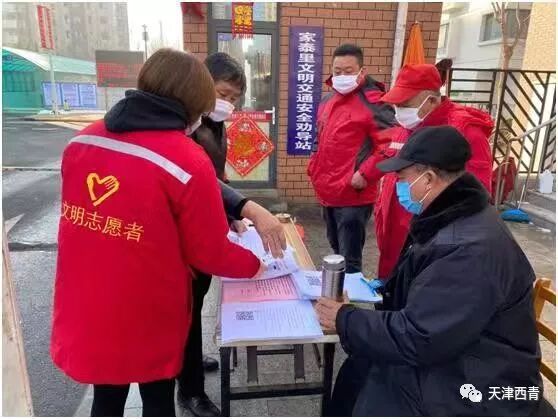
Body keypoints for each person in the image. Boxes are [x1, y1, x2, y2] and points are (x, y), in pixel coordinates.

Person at [50, 48, 264, 417]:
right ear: (193, 100)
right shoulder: (185, 159)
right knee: (158, 398)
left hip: (91, 299)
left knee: (106, 398)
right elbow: (209, 252)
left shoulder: (82, 142)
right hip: (149, 306)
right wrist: (258, 264)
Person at [316, 126, 542, 416]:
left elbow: (419, 337)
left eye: (401, 178)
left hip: (479, 383)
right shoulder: (453, 217)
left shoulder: (467, 249)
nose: (397, 187)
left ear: (429, 179)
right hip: (459, 352)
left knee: (368, 389)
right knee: (357, 371)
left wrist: (344, 318)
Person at [177, 52, 287, 416]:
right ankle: (190, 391)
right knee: (185, 311)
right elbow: (199, 180)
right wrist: (246, 208)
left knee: (195, 307)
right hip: (184, 239)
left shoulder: (212, 124)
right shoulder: (184, 127)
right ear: (200, 85)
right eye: (222, 93)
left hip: (209, 226)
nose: (228, 103)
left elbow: (217, 178)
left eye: (235, 98)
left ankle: (190, 361)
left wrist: (232, 217)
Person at [374, 63, 494, 280]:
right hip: (394, 237)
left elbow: (473, 198)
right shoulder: (407, 127)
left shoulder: (464, 132)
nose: (399, 111)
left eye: (405, 104)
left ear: (431, 100)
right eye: (396, 105)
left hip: (431, 245)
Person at [307, 44, 396, 274]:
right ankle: (337, 293)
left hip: (353, 195)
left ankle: (350, 297)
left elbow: (391, 144)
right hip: (327, 191)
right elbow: (319, 138)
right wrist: (313, 166)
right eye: (337, 71)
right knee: (335, 252)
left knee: (350, 261)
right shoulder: (327, 100)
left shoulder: (375, 102)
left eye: (348, 71)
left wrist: (365, 174)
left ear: (361, 71)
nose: (342, 76)